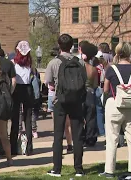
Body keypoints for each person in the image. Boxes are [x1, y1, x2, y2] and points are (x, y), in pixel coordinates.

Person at [99, 42, 131, 178]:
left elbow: (106, 89)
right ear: (130, 53)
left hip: (114, 104)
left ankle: (109, 170)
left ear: (117, 53)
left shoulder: (111, 69)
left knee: (112, 138)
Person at [46, 34, 86, 177]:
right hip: (76, 100)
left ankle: (57, 168)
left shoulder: (54, 63)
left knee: (58, 135)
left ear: (59, 45)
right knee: (77, 135)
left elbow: (49, 83)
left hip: (60, 100)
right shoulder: (80, 62)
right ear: (72, 46)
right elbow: (84, 80)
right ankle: (79, 168)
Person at [10, 41, 34, 156]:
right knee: (27, 118)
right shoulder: (30, 62)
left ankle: (13, 147)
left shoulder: (13, 62)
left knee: (15, 118)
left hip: (17, 89)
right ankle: (29, 148)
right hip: (28, 89)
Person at [81, 42, 99, 146]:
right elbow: (95, 84)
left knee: (79, 117)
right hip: (90, 93)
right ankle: (91, 138)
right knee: (91, 117)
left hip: (80, 93)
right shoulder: (93, 69)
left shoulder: (79, 67)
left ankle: (81, 136)